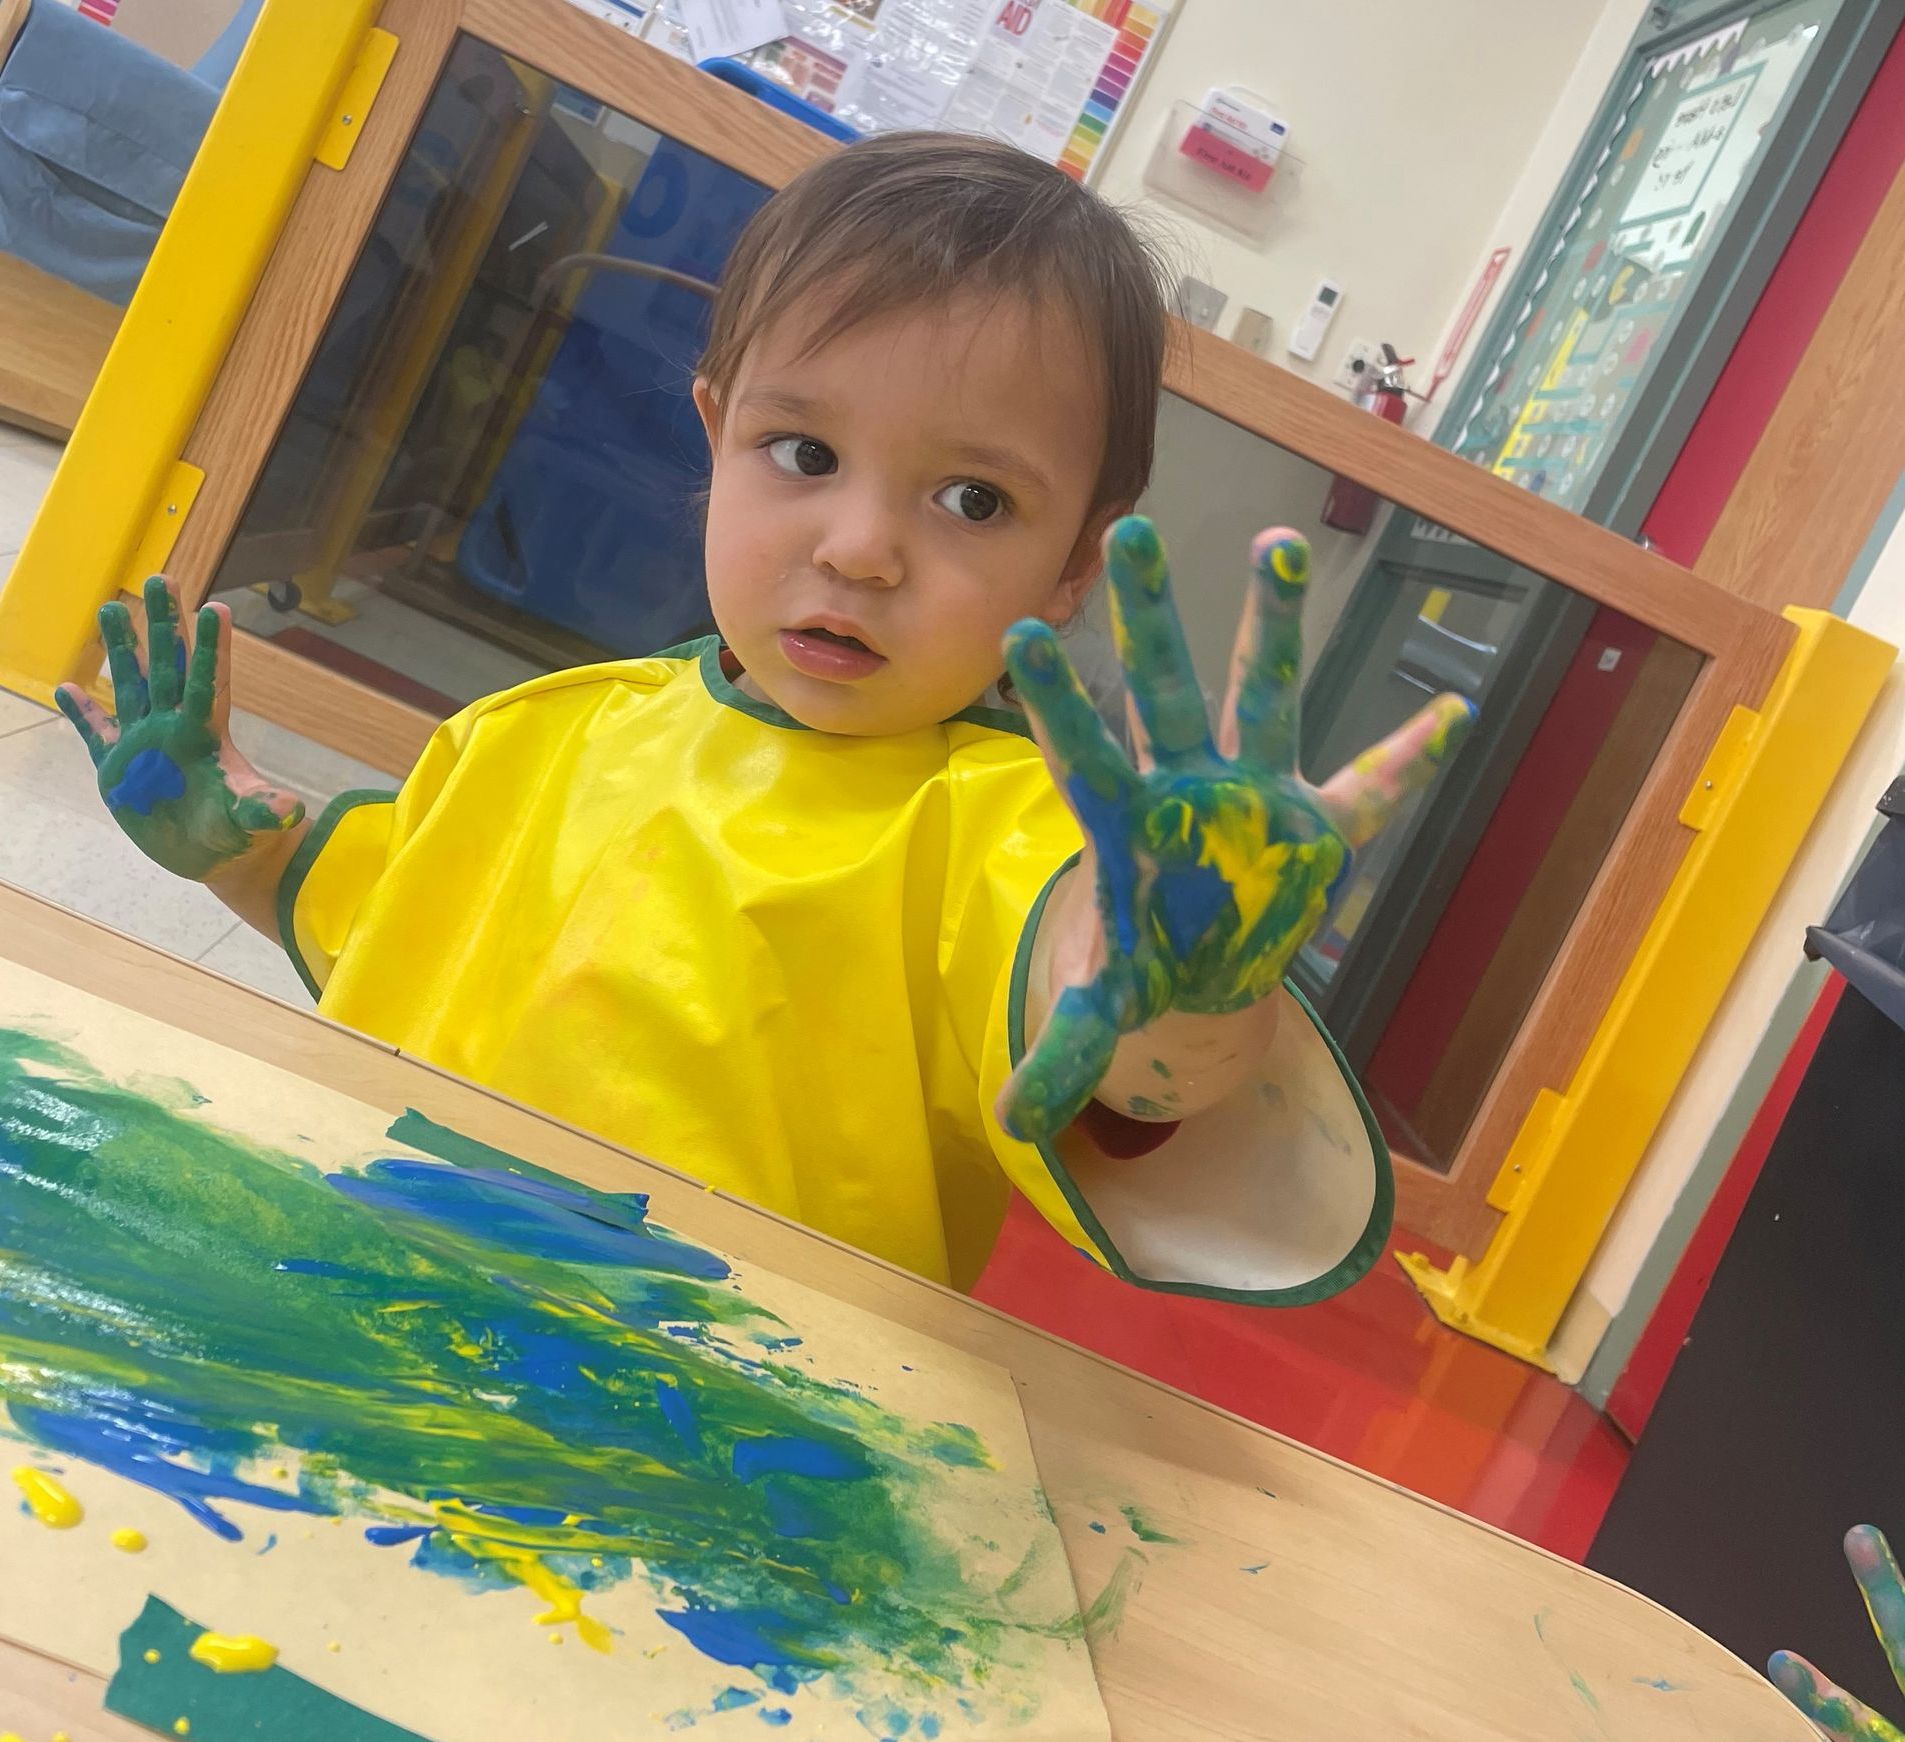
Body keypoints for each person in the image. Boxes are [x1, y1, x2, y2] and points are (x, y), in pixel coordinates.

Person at [57, 133, 1471, 1301]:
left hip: (722, 1424)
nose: (860, 546)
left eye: (973, 499)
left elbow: (1116, 1064)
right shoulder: (542, 731)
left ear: (1075, 566)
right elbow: (391, 913)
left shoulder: (1012, 834)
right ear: (713, 428)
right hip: (365, 1285)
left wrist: (1185, 989)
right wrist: (241, 843)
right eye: (803, 453)